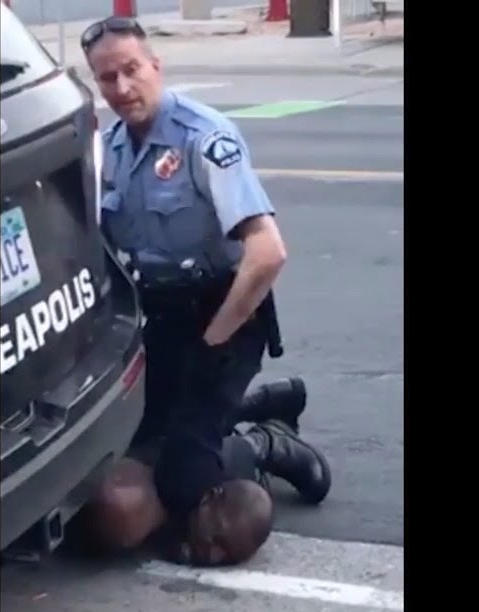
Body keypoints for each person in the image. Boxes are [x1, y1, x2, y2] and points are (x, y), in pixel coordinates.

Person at [77, 17, 332, 566]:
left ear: (155, 66)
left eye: (131, 70)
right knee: (137, 435)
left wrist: (213, 342)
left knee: (184, 476)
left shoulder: (204, 138)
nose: (122, 87)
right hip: (163, 321)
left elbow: (267, 253)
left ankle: (266, 442)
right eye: (106, 78)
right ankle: (252, 404)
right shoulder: (112, 150)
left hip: (226, 317)